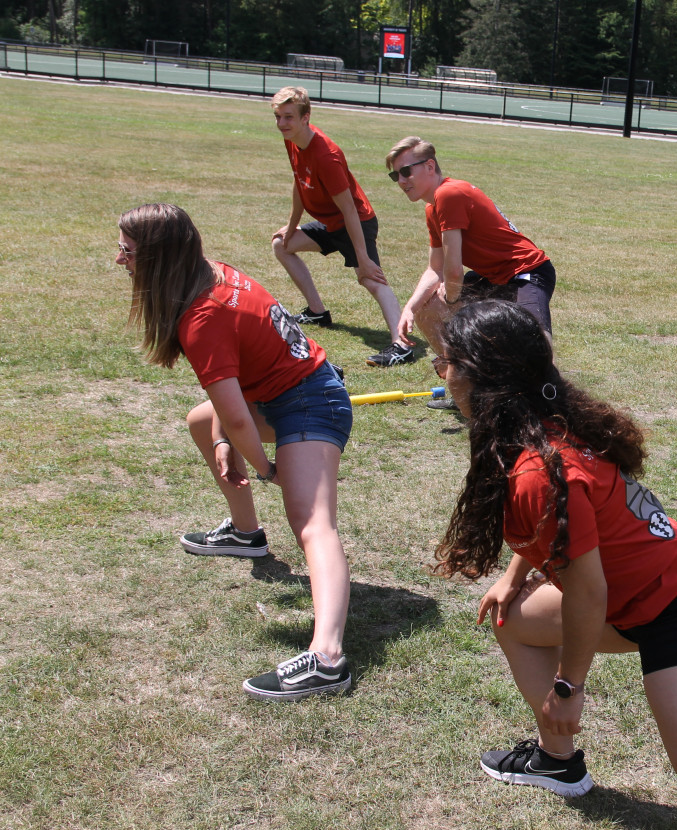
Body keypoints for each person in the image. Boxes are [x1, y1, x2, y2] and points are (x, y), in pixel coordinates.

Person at [433, 300, 677, 829]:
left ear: (483, 378)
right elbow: (565, 535)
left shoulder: (539, 468)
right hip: (629, 599)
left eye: (446, 362)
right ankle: (558, 763)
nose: (442, 374)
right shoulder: (543, 425)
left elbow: (587, 592)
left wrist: (568, 689)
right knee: (511, 618)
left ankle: (560, 736)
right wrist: (511, 578)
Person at [117, 203, 354, 702]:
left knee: (312, 522)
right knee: (203, 422)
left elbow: (243, 417)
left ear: (159, 259)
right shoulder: (208, 275)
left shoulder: (202, 317)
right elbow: (232, 401)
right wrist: (225, 439)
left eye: (128, 251)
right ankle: (247, 536)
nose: (120, 260)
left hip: (313, 402)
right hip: (286, 393)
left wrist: (267, 467)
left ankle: (329, 660)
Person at [386, 136, 556, 409]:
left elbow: (453, 272)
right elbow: (435, 269)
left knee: (536, 340)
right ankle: (468, 391)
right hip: (493, 276)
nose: (402, 180)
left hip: (527, 272)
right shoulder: (432, 207)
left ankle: (550, 405)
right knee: (427, 310)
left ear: (430, 166)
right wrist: (410, 309)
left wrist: (454, 305)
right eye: (395, 175)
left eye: (407, 171)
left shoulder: (448, 193)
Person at [270, 86, 413, 368]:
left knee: (371, 278)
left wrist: (361, 257)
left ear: (305, 117)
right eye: (278, 117)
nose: (282, 124)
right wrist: (291, 226)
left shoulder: (326, 155)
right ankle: (317, 312)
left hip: (355, 223)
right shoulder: (293, 141)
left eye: (288, 117)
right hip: (329, 223)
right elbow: (300, 183)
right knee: (281, 245)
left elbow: (349, 209)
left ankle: (402, 345)